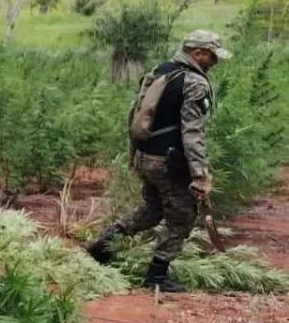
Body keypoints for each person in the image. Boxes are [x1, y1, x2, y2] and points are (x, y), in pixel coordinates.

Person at [86, 29, 232, 292]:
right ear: (198, 53)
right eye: (212, 56)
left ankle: (103, 245)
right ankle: (157, 274)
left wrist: (134, 156)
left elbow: (136, 115)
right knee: (182, 216)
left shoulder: (160, 71)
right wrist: (200, 174)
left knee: (153, 209)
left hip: (146, 157)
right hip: (168, 162)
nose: (214, 62)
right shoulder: (195, 83)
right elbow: (192, 133)